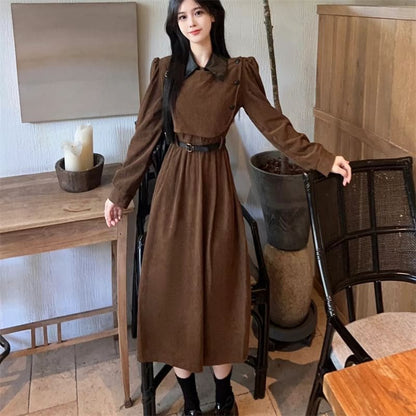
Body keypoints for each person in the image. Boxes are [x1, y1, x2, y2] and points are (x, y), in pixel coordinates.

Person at [104, 0, 351, 415]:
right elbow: (144, 137)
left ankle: (223, 399)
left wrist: (323, 159)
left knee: (220, 292)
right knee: (174, 293)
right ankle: (190, 403)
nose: (191, 23)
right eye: (182, 16)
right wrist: (119, 193)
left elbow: (275, 125)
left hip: (217, 191)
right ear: (175, 24)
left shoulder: (237, 73)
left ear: (214, 15)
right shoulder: (165, 71)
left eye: (198, 12)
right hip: (174, 193)